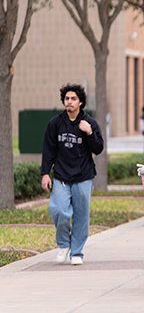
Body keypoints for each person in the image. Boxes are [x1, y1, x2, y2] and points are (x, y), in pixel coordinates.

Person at [41, 83, 104, 266]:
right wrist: (45, 173)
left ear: (80, 102)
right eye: (67, 99)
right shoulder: (55, 123)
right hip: (61, 175)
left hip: (84, 176)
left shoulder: (90, 123)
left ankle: (77, 252)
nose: (69, 102)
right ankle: (64, 244)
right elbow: (48, 150)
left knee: (81, 215)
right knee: (58, 209)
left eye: (73, 99)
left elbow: (98, 148)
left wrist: (90, 132)